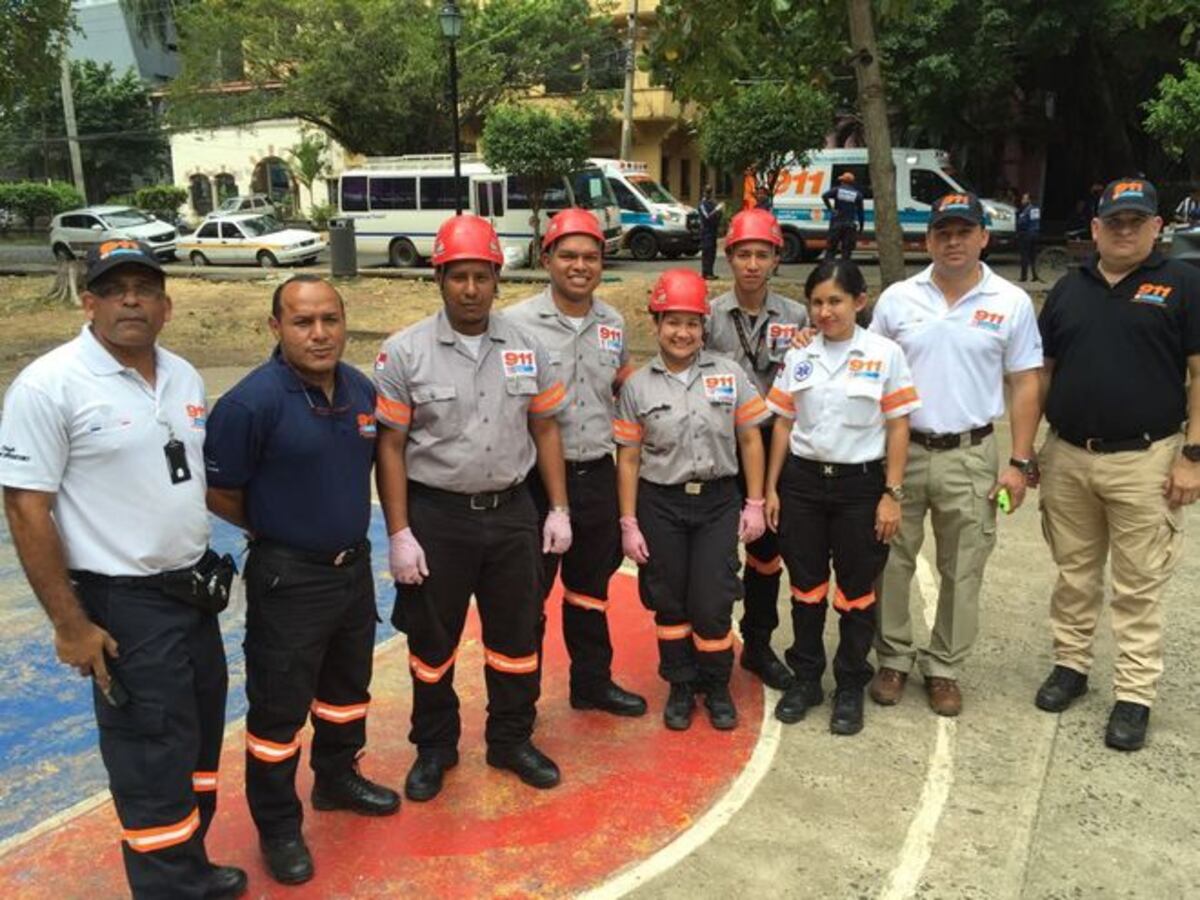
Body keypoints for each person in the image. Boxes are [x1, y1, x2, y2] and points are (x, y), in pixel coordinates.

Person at [0, 241, 245, 899]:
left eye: (144, 288)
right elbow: (26, 508)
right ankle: (166, 889)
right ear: (90, 302)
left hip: (191, 594)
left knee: (193, 742)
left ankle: (190, 868)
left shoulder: (184, 376)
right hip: (123, 604)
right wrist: (70, 624)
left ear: (165, 306)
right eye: (114, 289)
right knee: (147, 753)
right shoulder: (51, 385)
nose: (131, 299)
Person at [203, 275, 400, 885]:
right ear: (275, 328)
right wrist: (272, 526)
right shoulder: (249, 403)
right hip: (287, 577)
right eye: (302, 322)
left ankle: (337, 779)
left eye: (329, 320)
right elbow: (218, 489)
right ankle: (279, 826)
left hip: (351, 569)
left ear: (344, 323)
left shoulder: (362, 389)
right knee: (278, 713)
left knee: (347, 693)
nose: (319, 334)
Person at [374, 214, 572, 802]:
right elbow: (389, 445)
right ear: (439, 278)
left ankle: (511, 739)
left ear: (496, 278)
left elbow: (546, 430)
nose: (469, 289)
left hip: (513, 512)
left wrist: (557, 508)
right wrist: (400, 532)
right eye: (457, 276)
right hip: (439, 518)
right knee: (431, 646)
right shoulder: (403, 353)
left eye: (480, 277)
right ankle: (435, 747)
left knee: (517, 639)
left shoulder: (528, 346)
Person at [1035, 177, 1200, 751]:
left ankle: (1134, 695)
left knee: (1138, 585)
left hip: (1147, 459)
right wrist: (1028, 448)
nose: (1125, 231)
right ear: (1097, 228)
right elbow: (1044, 373)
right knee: (1073, 573)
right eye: (1115, 222)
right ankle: (1071, 666)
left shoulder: (1183, 284)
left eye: (1137, 221)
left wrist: (1193, 456)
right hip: (1069, 455)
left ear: (1157, 227)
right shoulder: (1067, 290)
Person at [866, 193, 1043, 716]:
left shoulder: (1010, 302)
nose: (953, 241)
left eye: (965, 231)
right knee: (891, 560)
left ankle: (944, 666)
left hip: (972, 453)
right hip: (903, 451)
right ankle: (894, 657)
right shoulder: (899, 299)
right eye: (943, 232)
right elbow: (868, 363)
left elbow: (1026, 383)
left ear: (984, 237)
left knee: (964, 566)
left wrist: (1019, 461)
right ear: (928, 240)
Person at [504, 208, 647, 719]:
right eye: (567, 255)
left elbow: (622, 380)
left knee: (591, 588)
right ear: (547, 259)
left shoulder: (612, 322)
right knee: (527, 596)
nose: (579, 265)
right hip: (537, 484)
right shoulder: (515, 325)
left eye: (590, 256)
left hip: (597, 475)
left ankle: (592, 683)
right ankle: (521, 708)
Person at [765, 260, 919, 735]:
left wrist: (891, 494)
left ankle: (850, 683)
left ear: (859, 301)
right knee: (806, 589)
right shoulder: (799, 355)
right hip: (804, 485)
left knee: (856, 593)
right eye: (816, 302)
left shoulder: (885, 353)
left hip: (860, 487)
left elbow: (898, 426)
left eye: (835, 300)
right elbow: (784, 423)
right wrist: (771, 487)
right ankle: (807, 678)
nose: (825, 311)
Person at [614, 269, 770, 731]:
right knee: (669, 600)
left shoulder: (730, 375)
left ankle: (716, 685)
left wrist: (755, 502)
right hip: (660, 503)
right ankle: (681, 684)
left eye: (692, 323)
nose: (682, 333)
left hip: (718, 502)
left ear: (705, 326)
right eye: (672, 322)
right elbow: (628, 460)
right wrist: (629, 522)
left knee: (712, 599)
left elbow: (751, 441)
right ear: (656, 324)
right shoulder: (638, 387)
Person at [705, 208, 809, 690]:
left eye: (761, 255)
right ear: (728, 257)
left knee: (768, 553)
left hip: (776, 445)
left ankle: (759, 643)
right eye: (743, 254)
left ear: (775, 259)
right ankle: (712, 647)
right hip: (723, 446)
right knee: (718, 554)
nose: (751, 264)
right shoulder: (706, 318)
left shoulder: (798, 317)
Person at [821, 172, 865, 261]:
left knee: (831, 250)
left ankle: (827, 269)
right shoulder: (858, 195)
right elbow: (860, 212)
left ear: (843, 182)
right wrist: (861, 227)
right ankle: (844, 270)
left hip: (836, 224)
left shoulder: (837, 190)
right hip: (849, 225)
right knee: (846, 251)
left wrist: (831, 209)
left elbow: (824, 196)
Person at [697, 186, 724, 280]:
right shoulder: (702, 204)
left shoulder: (712, 203)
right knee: (707, 252)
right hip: (706, 231)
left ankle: (710, 272)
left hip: (713, 231)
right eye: (707, 192)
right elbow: (707, 217)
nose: (709, 194)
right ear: (703, 192)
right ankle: (705, 272)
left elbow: (718, 217)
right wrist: (716, 210)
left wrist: (719, 211)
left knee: (712, 252)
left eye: (710, 192)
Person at [1016, 192, 1042, 283]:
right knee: (1033, 256)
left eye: (1024, 199)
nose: (1022, 201)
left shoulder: (1026, 210)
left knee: (1024, 256)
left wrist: (1019, 218)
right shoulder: (1036, 209)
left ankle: (1024, 276)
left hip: (1026, 235)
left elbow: (1021, 222)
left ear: (1029, 200)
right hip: (1035, 234)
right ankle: (1035, 275)